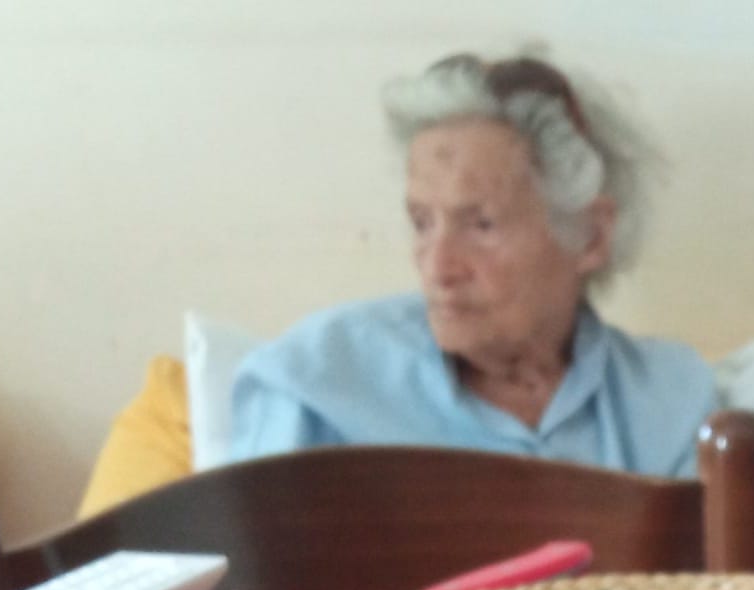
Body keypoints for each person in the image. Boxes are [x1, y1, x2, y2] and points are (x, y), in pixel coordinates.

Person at [229, 53, 715, 476]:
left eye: (481, 225)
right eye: (422, 223)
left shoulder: (672, 401)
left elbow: (725, 582)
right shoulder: (315, 382)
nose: (439, 269)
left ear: (591, 234)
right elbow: (251, 577)